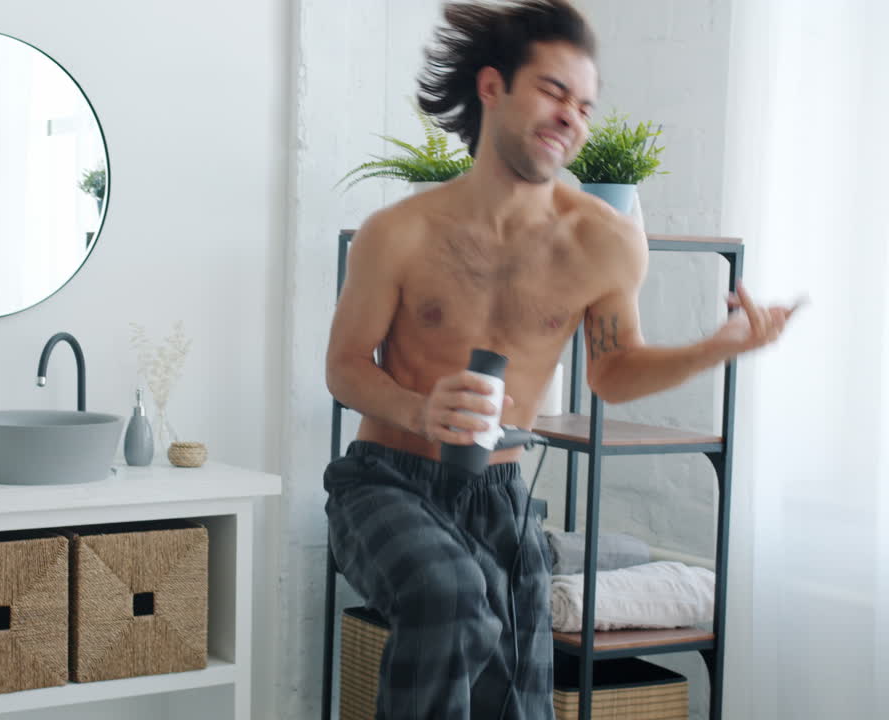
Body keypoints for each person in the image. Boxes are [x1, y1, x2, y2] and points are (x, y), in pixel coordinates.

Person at [322, 1, 797, 718]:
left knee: (519, 702)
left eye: (584, 104)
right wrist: (419, 408)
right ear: (492, 88)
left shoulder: (603, 243)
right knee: (448, 596)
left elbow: (613, 372)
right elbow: (346, 367)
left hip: (500, 498)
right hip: (384, 483)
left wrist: (711, 350)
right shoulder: (400, 233)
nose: (570, 115)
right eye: (551, 91)